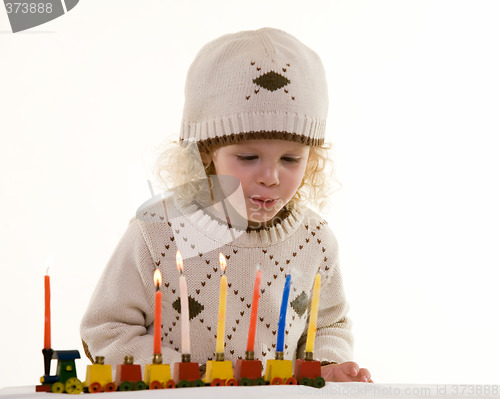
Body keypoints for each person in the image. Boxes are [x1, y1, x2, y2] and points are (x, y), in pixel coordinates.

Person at [80, 27, 372, 383]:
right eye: (248, 156)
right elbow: (105, 330)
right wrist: (196, 375)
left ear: (313, 159)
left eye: (291, 159)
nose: (271, 176)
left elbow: (330, 323)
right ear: (206, 151)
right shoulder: (160, 229)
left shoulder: (315, 239)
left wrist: (328, 365)